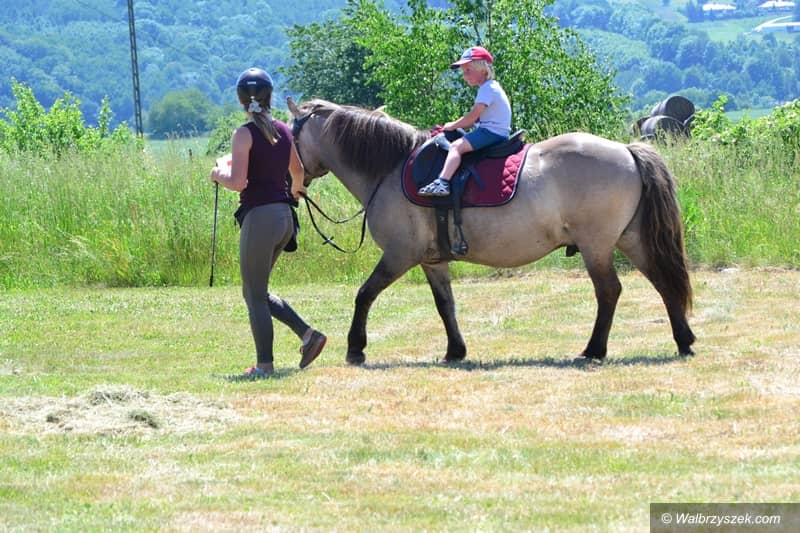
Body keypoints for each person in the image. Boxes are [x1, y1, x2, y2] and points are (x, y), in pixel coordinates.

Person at [210, 67, 326, 379]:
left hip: (259, 219)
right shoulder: (283, 131)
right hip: (284, 218)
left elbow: (238, 182)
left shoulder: (243, 134)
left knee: (254, 295)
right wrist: (296, 191)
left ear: (241, 100)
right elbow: (297, 172)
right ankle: (308, 336)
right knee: (257, 292)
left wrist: (218, 173)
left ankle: (264, 366)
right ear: (269, 96)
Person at [418, 46, 512, 197]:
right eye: (463, 71)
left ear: (483, 69)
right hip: (495, 131)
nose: (464, 75)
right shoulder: (491, 87)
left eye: (468, 70)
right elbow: (473, 121)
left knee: (456, 147)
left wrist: (452, 125)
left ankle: (442, 182)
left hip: (491, 132)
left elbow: (472, 117)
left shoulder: (487, 89)